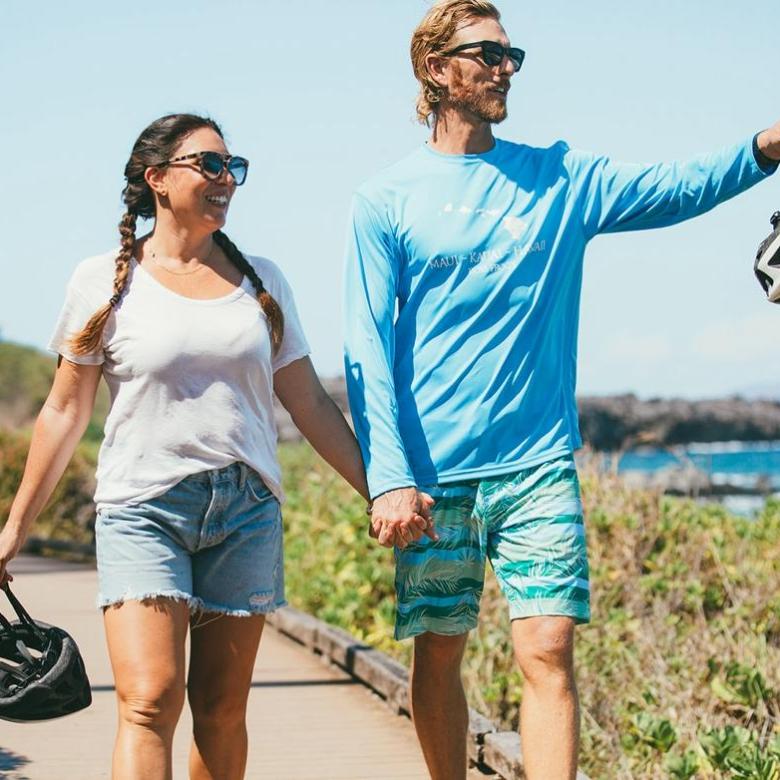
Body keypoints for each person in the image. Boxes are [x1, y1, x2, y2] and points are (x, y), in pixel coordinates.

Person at [342, 2, 780, 778]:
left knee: (547, 647)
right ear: (437, 70)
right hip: (434, 474)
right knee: (439, 651)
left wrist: (763, 149)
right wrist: (390, 477)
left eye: (512, 56)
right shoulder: (387, 199)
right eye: (487, 55)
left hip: (538, 464)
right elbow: (367, 346)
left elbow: (671, 188)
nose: (506, 68)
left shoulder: (560, 178)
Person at [0, 113, 375, 780]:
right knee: (148, 702)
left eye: (233, 167)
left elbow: (309, 403)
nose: (225, 178)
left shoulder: (263, 282)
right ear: (156, 179)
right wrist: (13, 529)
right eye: (208, 164)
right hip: (143, 508)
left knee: (221, 710)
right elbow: (63, 412)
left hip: (246, 510)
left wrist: (379, 493)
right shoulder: (104, 279)